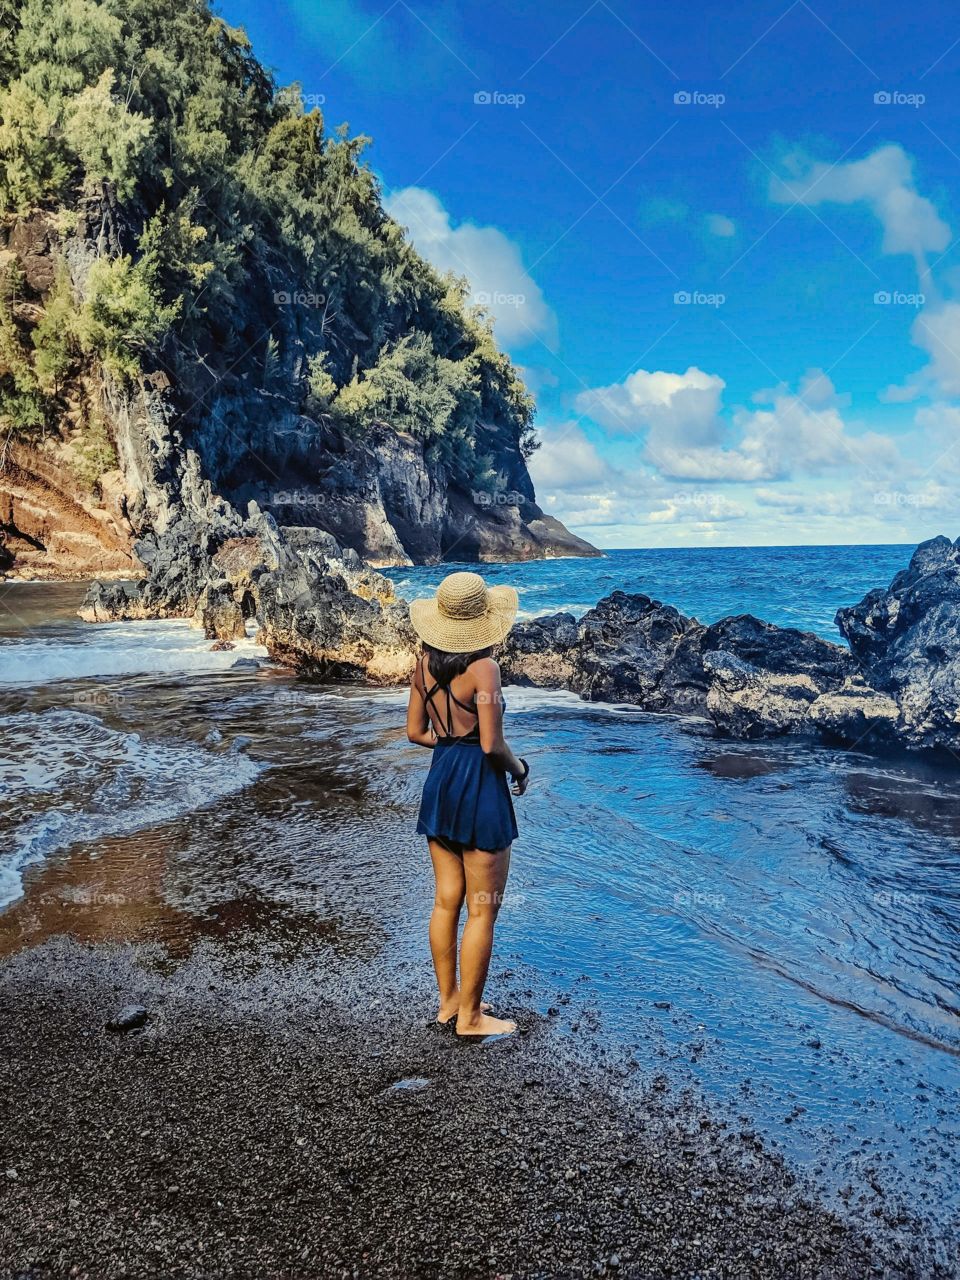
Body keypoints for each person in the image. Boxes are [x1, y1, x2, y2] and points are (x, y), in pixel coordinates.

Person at [406, 571, 530, 1038]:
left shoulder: (421, 665)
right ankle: (472, 1019)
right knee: (482, 907)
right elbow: (492, 745)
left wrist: (449, 747)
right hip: (479, 787)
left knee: (446, 902)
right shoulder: (484, 670)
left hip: (440, 781)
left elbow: (416, 732)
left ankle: (449, 1004)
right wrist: (519, 771)